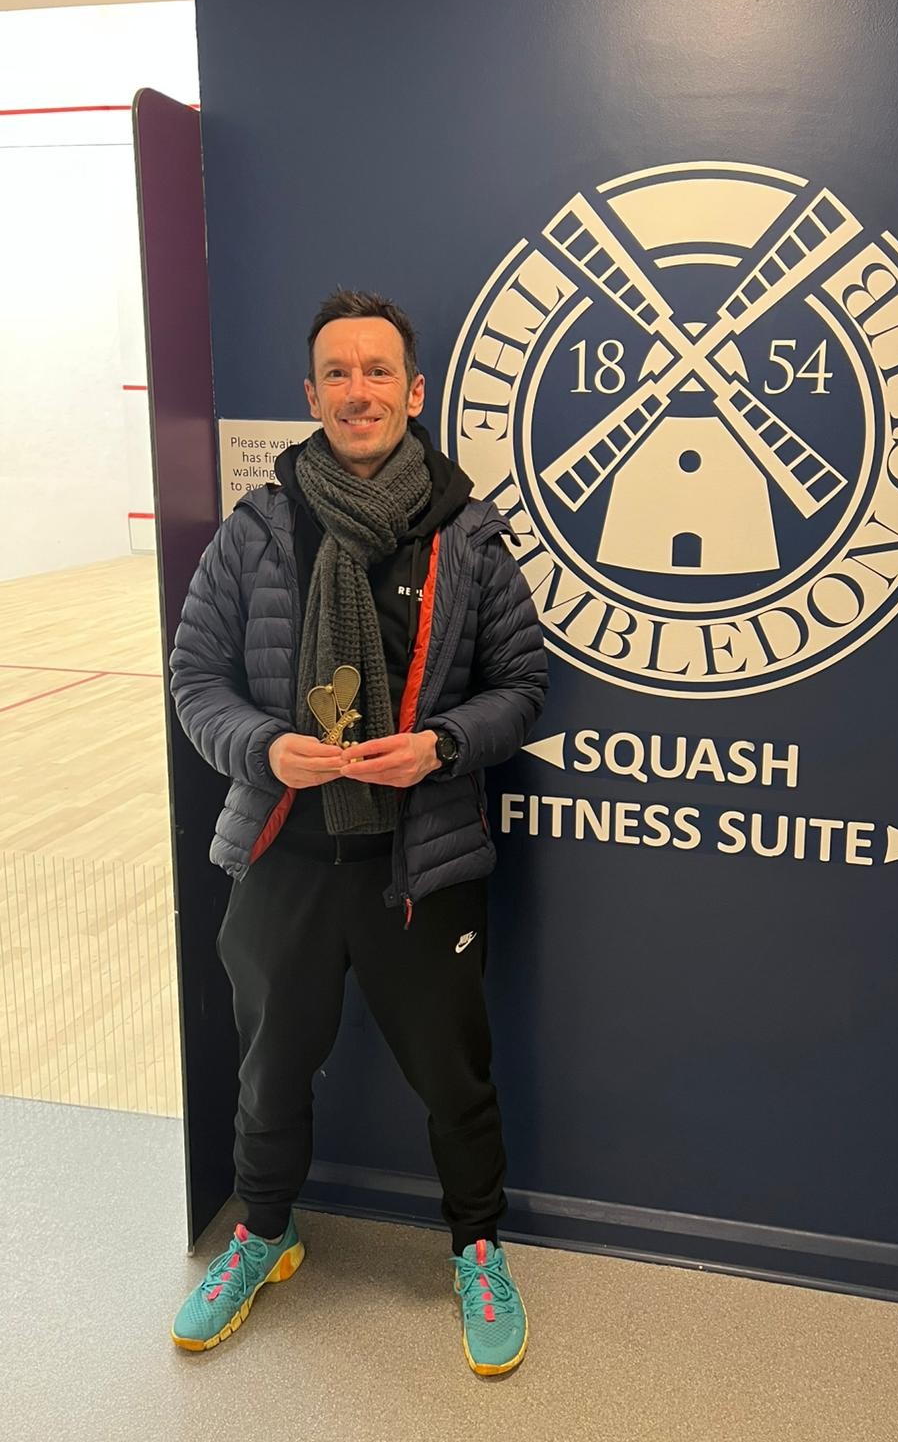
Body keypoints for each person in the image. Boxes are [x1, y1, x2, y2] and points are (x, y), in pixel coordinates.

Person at [168, 288, 547, 1375]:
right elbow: (195, 678)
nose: (358, 390)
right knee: (268, 1069)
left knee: (455, 1076)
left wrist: (441, 747)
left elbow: (523, 686)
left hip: (420, 862)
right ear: (311, 393)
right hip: (283, 852)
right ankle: (264, 1235)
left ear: (413, 391)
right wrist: (261, 747)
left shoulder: (468, 534)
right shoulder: (257, 529)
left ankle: (477, 1248)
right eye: (338, 372)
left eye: (378, 371)